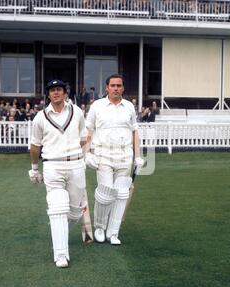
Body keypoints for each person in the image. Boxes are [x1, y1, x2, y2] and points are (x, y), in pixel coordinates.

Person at [29, 79, 87, 268]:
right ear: (48, 94)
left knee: (75, 212)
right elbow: (35, 144)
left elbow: (84, 137)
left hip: (76, 165)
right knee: (57, 208)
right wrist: (34, 168)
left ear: (65, 93)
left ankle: (58, 228)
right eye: (52, 90)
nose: (56, 93)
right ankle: (61, 254)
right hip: (52, 165)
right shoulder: (40, 117)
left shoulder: (77, 112)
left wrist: (82, 156)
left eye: (59, 90)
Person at [85, 74, 145, 245]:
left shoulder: (129, 107)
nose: (116, 88)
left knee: (121, 195)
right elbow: (88, 131)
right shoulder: (97, 106)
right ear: (107, 88)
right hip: (103, 154)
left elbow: (134, 132)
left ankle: (113, 232)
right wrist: (87, 153)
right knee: (105, 193)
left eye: (119, 85)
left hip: (125, 155)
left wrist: (138, 156)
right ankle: (99, 227)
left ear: (123, 88)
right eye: (113, 85)